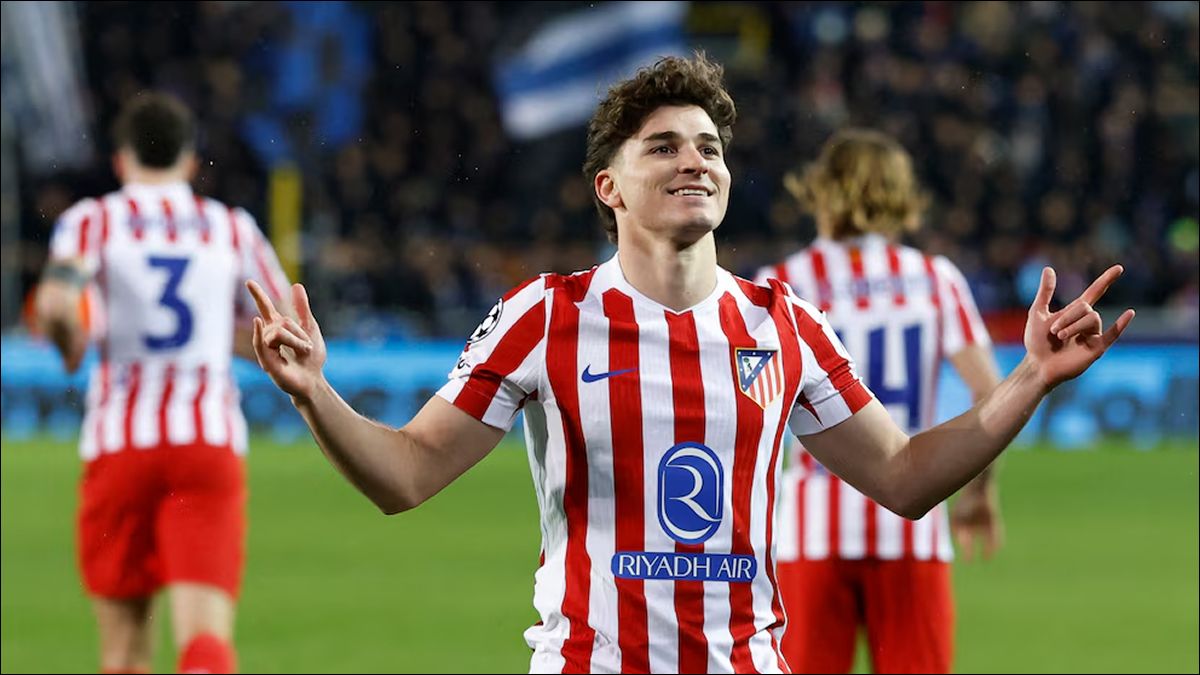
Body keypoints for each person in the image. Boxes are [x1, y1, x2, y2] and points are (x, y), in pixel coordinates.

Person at [246, 53, 1133, 674]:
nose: (695, 161)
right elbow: (406, 473)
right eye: (664, 146)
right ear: (609, 186)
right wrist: (314, 392)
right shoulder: (547, 316)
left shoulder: (785, 322)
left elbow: (903, 476)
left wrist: (1030, 379)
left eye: (709, 147)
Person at [34, 91, 291, 674]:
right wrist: (216, 337)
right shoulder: (230, 227)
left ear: (120, 160)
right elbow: (286, 331)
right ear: (191, 161)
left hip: (120, 443)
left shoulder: (92, 221)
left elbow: (55, 303)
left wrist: (70, 339)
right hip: (206, 442)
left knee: (124, 654)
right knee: (206, 645)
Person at [755, 128, 1003, 673]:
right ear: (901, 194)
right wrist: (978, 492)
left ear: (821, 189)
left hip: (811, 528)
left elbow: (750, 409)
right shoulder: (935, 279)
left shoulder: (781, 284)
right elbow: (990, 392)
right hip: (912, 526)